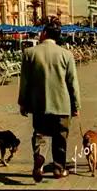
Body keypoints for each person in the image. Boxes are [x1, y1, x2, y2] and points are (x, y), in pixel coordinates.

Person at [18, 20, 81, 182]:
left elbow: (24, 81)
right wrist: (76, 105)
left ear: (44, 33)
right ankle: (59, 168)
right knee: (60, 137)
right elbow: (72, 82)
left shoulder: (29, 53)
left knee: (40, 133)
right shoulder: (66, 55)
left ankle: (39, 159)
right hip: (62, 104)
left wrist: (23, 101)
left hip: (39, 104)